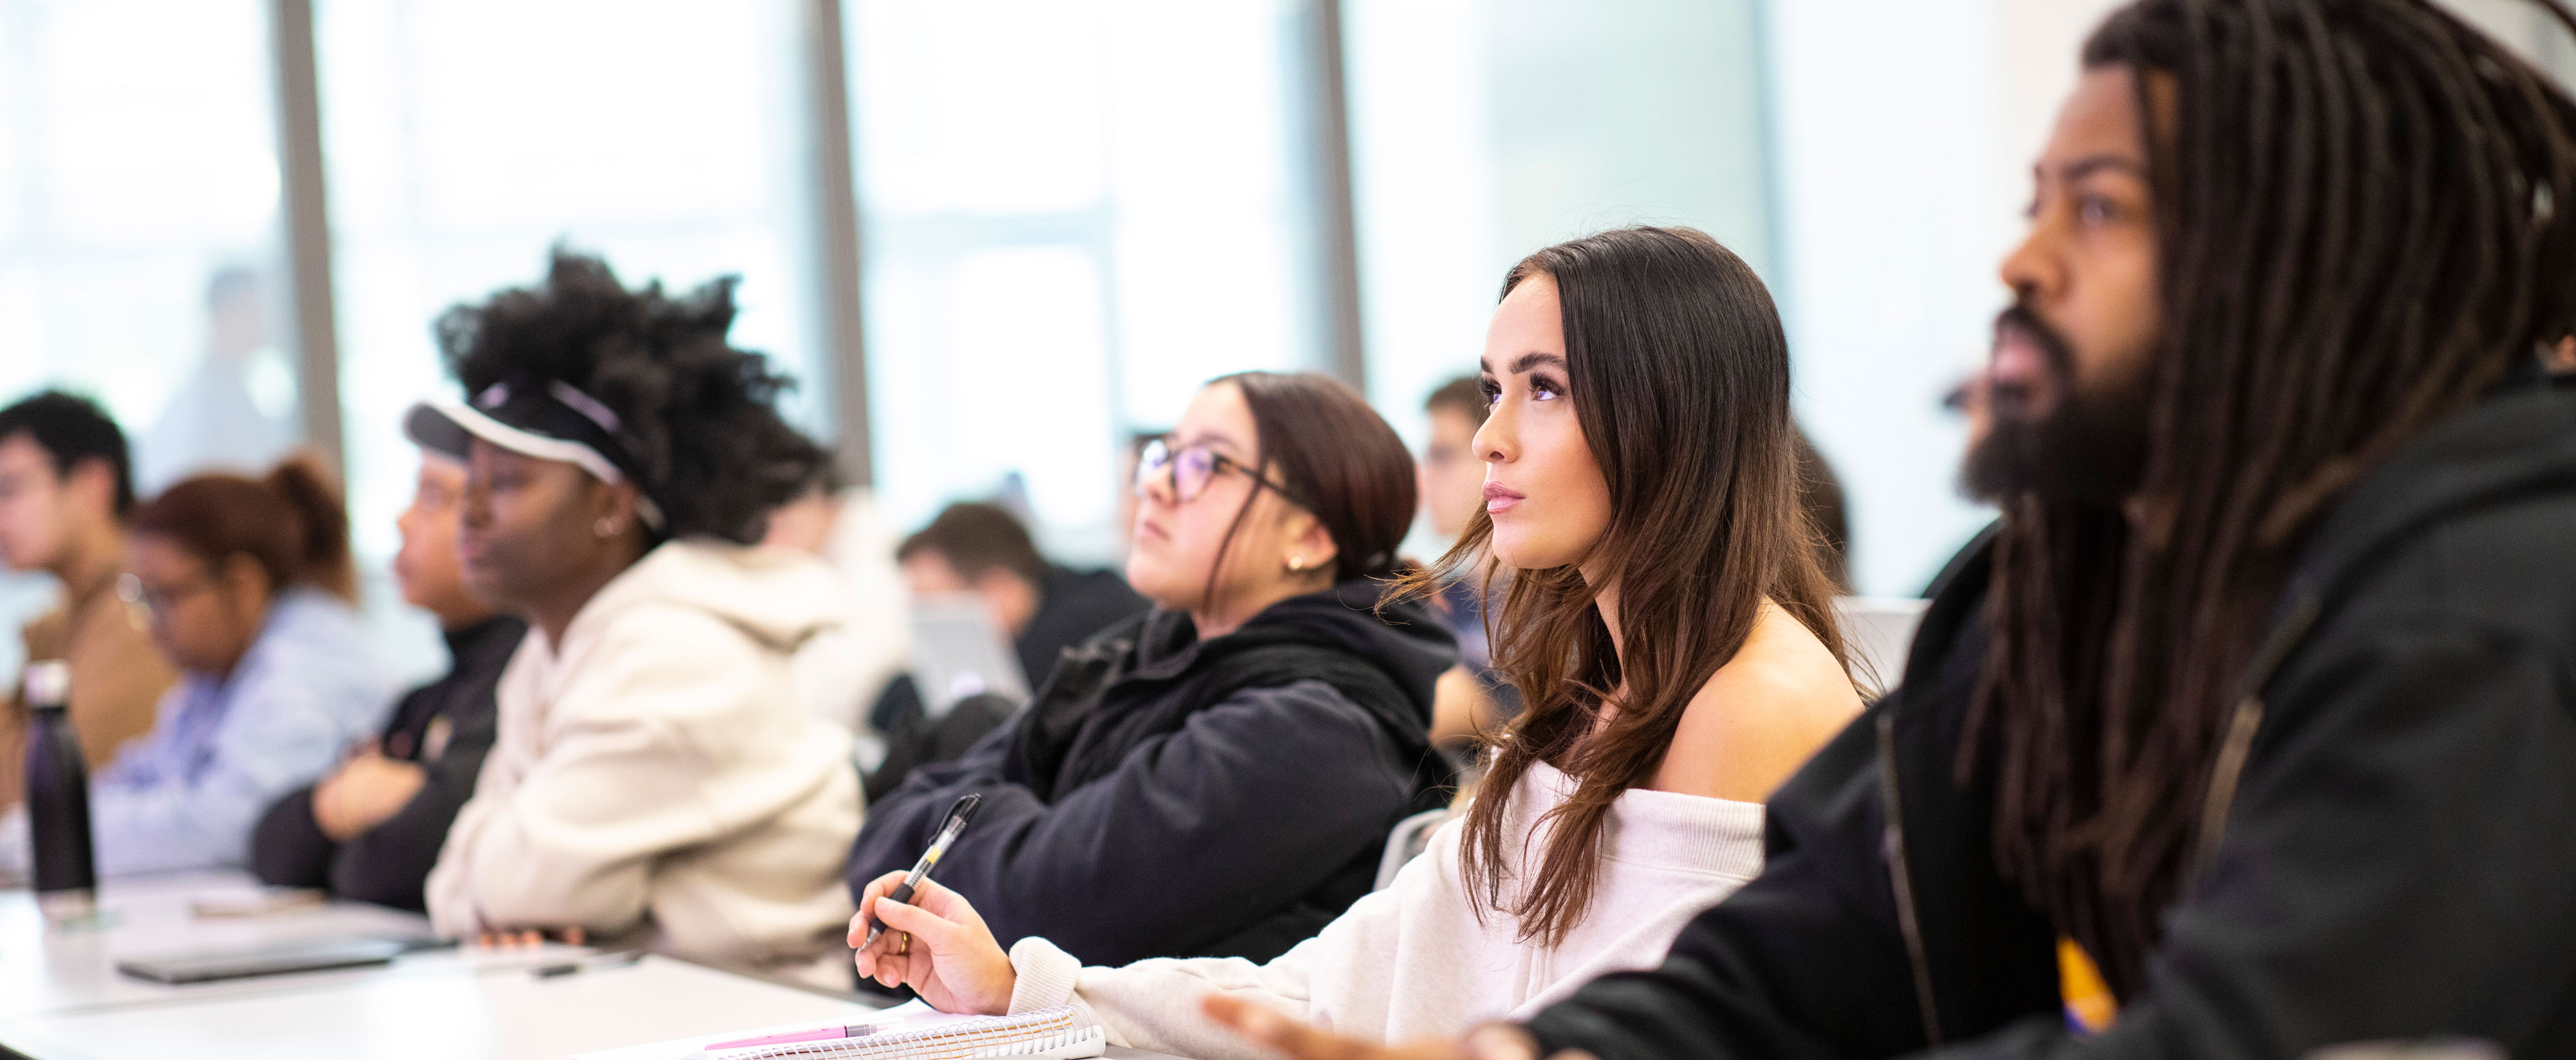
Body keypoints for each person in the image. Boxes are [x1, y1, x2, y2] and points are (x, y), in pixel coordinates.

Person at [1202, 2, 2576, 1058]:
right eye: (2035, 201)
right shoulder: (2061, 588)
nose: (2019, 261)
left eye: (2093, 208)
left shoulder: (2476, 609)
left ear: (2289, 257)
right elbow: (1825, 942)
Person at [845, 227, 1864, 1059]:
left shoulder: (1752, 700)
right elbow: (1337, 984)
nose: (1488, 438)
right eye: (1493, 388)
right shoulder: (1590, 694)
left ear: (1670, 415)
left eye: (1542, 388)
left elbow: (1639, 1037)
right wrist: (1020, 986)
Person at [847, 372, 1457, 969]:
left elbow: (1037, 919)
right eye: (1164, 456)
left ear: (1310, 536)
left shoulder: (1315, 731)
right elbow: (877, 847)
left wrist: (1005, 819)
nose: (1157, 486)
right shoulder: (1137, 657)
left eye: (1208, 465)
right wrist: (1034, 826)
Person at [416, 250, 859, 985]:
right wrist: (518, 883)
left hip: (765, 1019)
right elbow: (463, 883)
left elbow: (524, 888)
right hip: (653, 1000)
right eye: (473, 477)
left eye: (511, 480)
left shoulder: (674, 650)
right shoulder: (558, 646)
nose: (471, 507)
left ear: (612, 505)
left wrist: (520, 883)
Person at [0, 458, 390, 877]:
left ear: (242, 586)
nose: (150, 623)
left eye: (163, 596)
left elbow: (224, 826)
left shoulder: (305, 666)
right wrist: (34, 832)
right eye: (142, 598)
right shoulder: (220, 675)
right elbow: (142, 775)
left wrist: (32, 841)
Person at [249, 447, 526, 911]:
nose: (402, 521)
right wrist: (341, 806)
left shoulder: (516, 679)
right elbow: (272, 849)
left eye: (434, 497)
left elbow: (398, 865)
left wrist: (353, 828)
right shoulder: (430, 699)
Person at [863, 502, 1149, 801]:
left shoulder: (1088, 622)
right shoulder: (1040, 616)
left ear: (999, 589)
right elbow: (893, 703)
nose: (930, 627)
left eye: (936, 608)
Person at [0, 392, 178, 805]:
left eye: (9, 490)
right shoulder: (70, 617)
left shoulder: (141, 610)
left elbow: (34, 794)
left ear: (93, 485)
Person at [1418, 376, 1517, 748]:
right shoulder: (1438, 595)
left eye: (1441, 456)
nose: (1422, 478)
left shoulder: (1568, 600)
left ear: (1496, 454)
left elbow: (1478, 706)